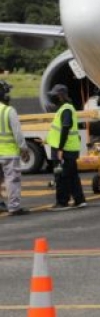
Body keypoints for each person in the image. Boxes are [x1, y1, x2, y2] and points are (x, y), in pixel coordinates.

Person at [46, 84, 86, 211]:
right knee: (72, 175)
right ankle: (79, 200)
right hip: (70, 149)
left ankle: (62, 202)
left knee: (61, 176)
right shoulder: (67, 108)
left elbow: (65, 128)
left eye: (54, 95)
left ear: (60, 96)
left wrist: (60, 149)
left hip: (64, 150)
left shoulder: (66, 110)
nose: (52, 98)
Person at [0, 80, 29, 216]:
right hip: (9, 153)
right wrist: (24, 149)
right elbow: (17, 133)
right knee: (12, 180)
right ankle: (14, 207)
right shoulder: (8, 111)